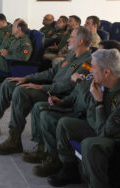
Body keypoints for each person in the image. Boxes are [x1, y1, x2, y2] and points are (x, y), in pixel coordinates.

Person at [0, 27, 93, 155]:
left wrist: (41, 87)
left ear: (80, 41)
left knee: (21, 91)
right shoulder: (72, 56)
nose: (68, 39)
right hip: (50, 87)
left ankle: (14, 138)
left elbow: (69, 86)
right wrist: (27, 78)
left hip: (59, 96)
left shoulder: (87, 62)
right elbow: (51, 72)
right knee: (10, 82)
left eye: (72, 37)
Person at [24, 40, 120, 178]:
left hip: (88, 117)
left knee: (51, 117)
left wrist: (45, 87)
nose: (68, 39)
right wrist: (63, 101)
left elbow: (85, 97)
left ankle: (57, 161)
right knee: (41, 108)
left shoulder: (90, 66)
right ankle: (53, 157)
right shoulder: (76, 60)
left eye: (72, 36)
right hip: (79, 109)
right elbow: (71, 86)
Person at [48, 48, 120, 187]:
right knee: (65, 124)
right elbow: (90, 111)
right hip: (100, 125)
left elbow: (104, 133)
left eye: (93, 67)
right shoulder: (102, 84)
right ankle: (70, 171)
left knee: (89, 144)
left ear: (106, 72)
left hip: (113, 138)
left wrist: (99, 103)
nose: (90, 71)